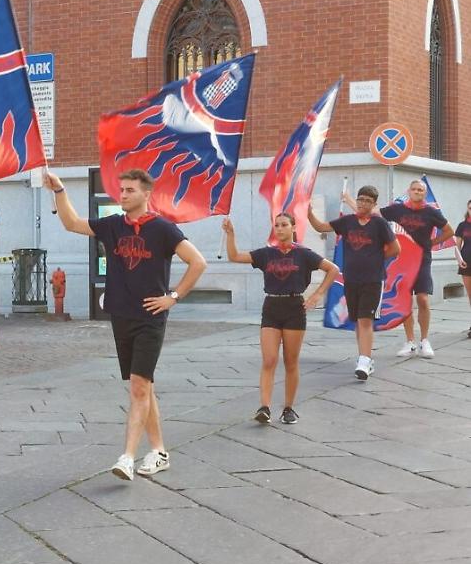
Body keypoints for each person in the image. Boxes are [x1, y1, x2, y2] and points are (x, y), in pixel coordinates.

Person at [45, 169, 207, 481]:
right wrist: (60, 190)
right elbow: (72, 223)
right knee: (143, 385)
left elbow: (198, 262)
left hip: (150, 317)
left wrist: (173, 296)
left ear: (147, 194)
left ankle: (127, 457)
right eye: (121, 189)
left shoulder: (163, 229)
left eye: (130, 190)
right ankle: (159, 451)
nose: (123, 194)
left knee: (138, 387)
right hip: (122, 316)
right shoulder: (113, 225)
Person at [222, 214, 339, 424]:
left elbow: (333, 269)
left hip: (295, 307)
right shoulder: (266, 254)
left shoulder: (304, 254)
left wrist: (317, 294)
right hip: (272, 307)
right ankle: (264, 407)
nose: (280, 229)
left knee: (291, 362)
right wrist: (231, 234)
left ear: (294, 227)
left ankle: (288, 408)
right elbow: (234, 257)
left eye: (284, 225)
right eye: (276, 225)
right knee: (269, 360)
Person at [344, 179, 454, 357]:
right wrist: (349, 199)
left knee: (423, 299)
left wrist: (431, 243)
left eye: (420, 190)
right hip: (402, 260)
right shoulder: (398, 209)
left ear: (424, 194)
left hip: (422, 259)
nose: (417, 192)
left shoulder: (431, 212)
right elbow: (369, 213)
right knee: (405, 301)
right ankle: (410, 341)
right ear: (409, 191)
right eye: (414, 189)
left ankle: (424, 340)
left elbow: (449, 231)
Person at [308, 185, 399, 380]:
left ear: (374, 204)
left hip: (373, 279)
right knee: (358, 320)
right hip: (351, 279)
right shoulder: (347, 222)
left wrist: (377, 257)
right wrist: (308, 213)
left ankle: (364, 361)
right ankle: (365, 358)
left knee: (366, 319)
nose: (363, 203)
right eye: (360, 199)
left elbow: (395, 248)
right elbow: (321, 227)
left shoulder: (379, 224)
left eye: (368, 201)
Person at [454, 199, 471, 338]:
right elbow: (457, 246)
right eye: (470, 208)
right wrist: (459, 260)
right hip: (467, 263)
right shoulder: (462, 225)